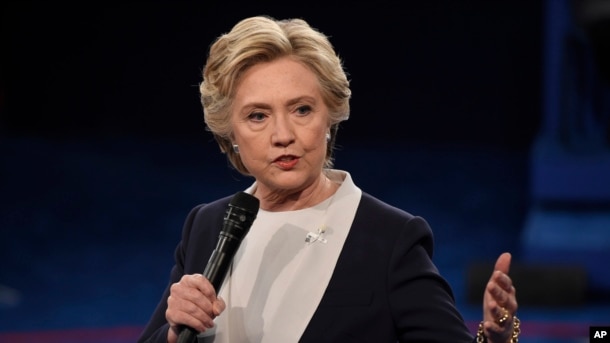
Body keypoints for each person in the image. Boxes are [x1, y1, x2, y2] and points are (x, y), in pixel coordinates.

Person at [138, 15, 519, 343]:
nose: (282, 134)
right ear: (230, 134)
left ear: (329, 118)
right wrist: (173, 333)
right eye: (258, 116)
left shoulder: (389, 239)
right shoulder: (206, 225)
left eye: (301, 109)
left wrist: (497, 337)